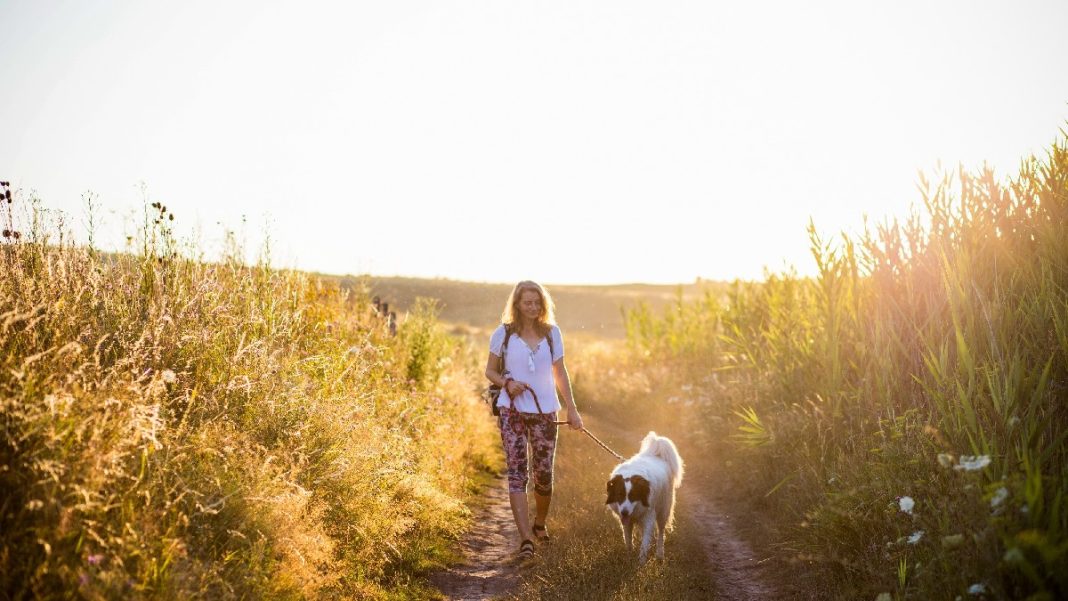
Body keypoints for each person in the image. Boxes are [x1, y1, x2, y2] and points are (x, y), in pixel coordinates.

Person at [484, 280, 583, 561]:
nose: (532, 307)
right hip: (511, 410)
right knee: (517, 473)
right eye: (527, 302)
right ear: (517, 304)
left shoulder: (553, 334)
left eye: (537, 302)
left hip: (545, 413)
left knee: (543, 475)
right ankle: (526, 538)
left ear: (543, 304)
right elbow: (489, 371)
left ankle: (540, 522)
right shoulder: (502, 334)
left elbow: (560, 373)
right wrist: (507, 382)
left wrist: (572, 410)